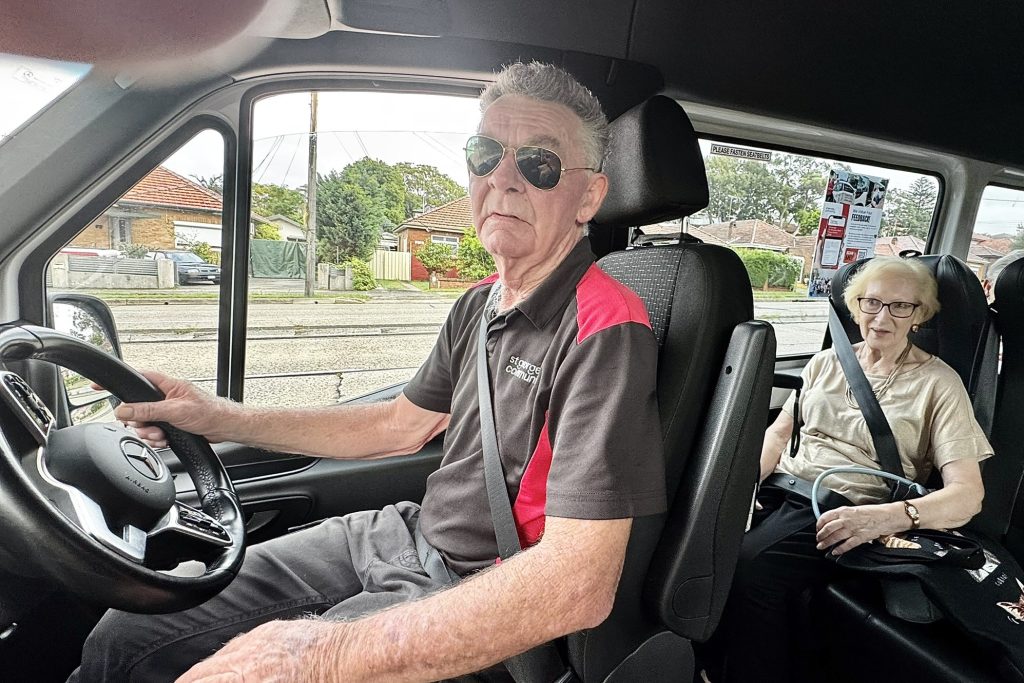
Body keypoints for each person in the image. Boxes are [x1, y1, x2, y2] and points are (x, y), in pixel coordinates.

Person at [71, 62, 666, 682]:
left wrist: (319, 656)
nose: (504, 180)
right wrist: (213, 415)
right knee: (130, 630)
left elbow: (577, 584)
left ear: (590, 197)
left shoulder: (606, 329)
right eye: (486, 154)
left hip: (482, 581)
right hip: (400, 535)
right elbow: (397, 425)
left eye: (539, 164)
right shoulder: (479, 303)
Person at [704, 256, 992, 683]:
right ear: (855, 307)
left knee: (748, 566)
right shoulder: (825, 363)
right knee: (697, 534)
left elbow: (968, 494)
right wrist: (740, 485)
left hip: (847, 508)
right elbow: (780, 435)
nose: (882, 317)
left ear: (920, 315)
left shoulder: (939, 383)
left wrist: (886, 518)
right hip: (783, 489)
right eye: (871, 303)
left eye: (900, 306)